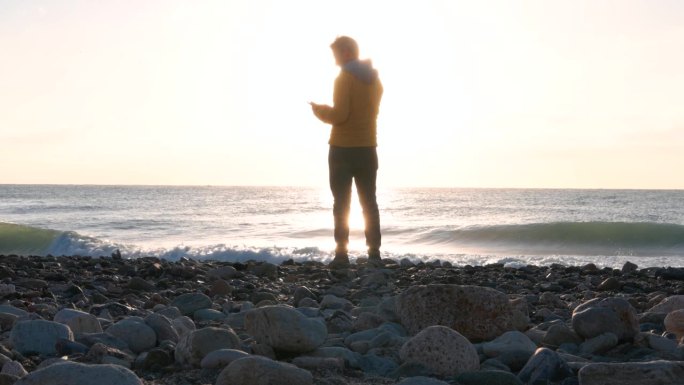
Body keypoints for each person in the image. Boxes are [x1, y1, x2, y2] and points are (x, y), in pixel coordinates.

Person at [310, 36, 384, 268]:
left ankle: (342, 254)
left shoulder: (343, 78)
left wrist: (320, 111)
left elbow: (341, 115)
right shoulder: (375, 80)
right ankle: (374, 253)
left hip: (343, 149)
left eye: (336, 54)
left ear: (347, 52)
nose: (334, 59)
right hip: (368, 148)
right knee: (369, 202)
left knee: (341, 203)